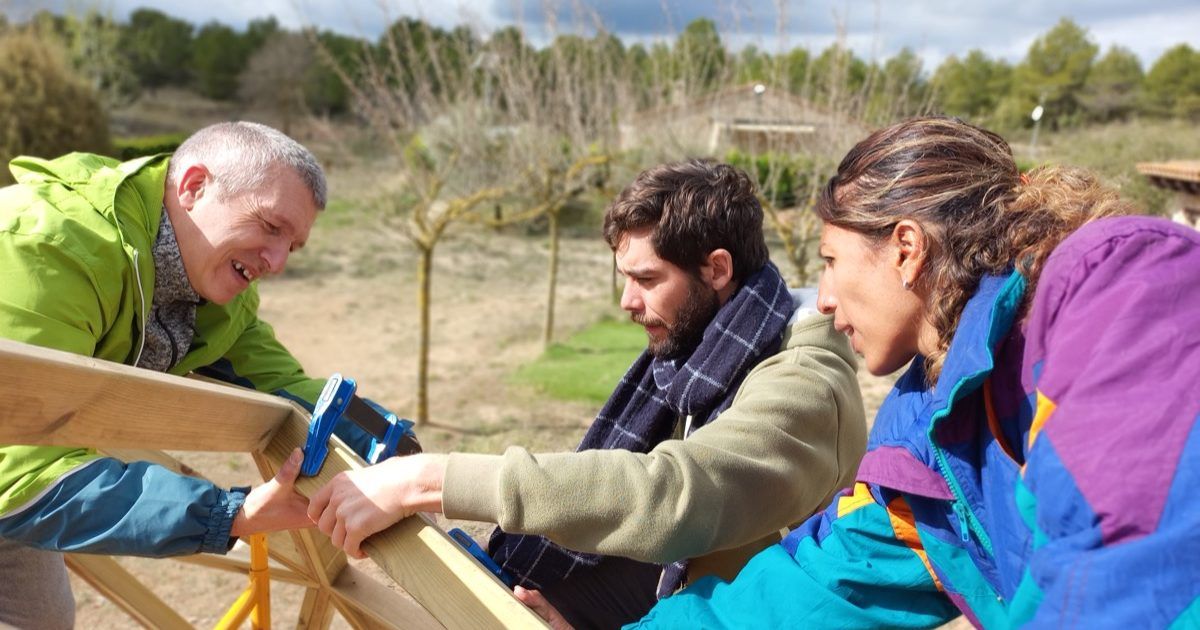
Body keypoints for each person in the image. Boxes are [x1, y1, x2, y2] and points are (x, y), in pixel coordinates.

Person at [629, 117, 1200, 628]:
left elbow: (1131, 578)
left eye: (830, 260)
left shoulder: (1116, 288)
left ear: (906, 248)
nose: (823, 299)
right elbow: (805, 591)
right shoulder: (929, 437)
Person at [308, 159, 868, 628]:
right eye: (623, 276)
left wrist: (427, 480)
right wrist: (580, 609)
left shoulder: (805, 383)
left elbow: (677, 496)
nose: (626, 301)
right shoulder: (708, 351)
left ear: (717, 268)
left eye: (647, 280)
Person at [0, 122, 405, 629]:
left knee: (39, 618)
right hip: (14, 472)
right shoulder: (48, 250)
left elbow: (291, 388)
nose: (277, 263)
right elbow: (20, 474)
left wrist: (392, 442)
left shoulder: (212, 289)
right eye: (271, 227)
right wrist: (227, 513)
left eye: (292, 247)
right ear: (193, 187)